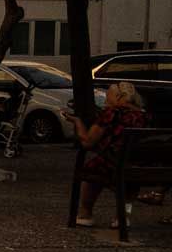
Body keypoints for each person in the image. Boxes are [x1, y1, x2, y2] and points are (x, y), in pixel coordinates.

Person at [63, 81, 151, 228]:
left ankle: (86, 213)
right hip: (140, 165)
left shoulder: (111, 113)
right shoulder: (145, 116)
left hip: (115, 163)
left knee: (93, 169)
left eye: (109, 96)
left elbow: (87, 142)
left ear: (119, 97)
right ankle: (123, 216)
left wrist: (77, 122)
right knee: (130, 181)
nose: (106, 99)